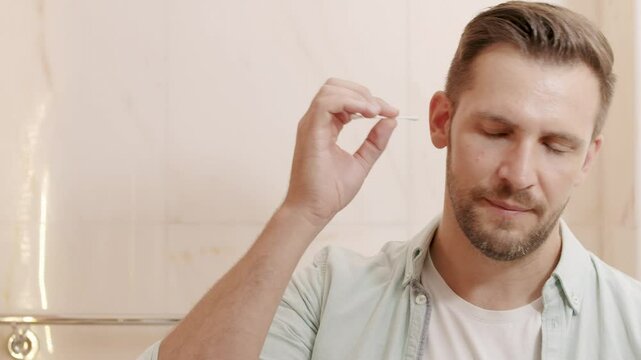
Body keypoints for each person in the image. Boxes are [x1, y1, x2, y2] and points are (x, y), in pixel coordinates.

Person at [139, 1, 641, 359]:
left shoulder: (633, 323)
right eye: (495, 131)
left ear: (587, 159)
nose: (520, 175)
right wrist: (301, 212)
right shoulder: (330, 294)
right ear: (442, 121)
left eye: (556, 146)